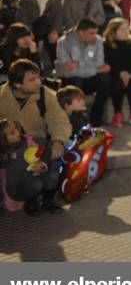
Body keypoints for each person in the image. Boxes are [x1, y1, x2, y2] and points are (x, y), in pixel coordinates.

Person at [0, 59, 71, 212]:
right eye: (32, 79)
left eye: (38, 77)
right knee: (26, 179)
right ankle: (29, 195)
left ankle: (48, 198)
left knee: (54, 156)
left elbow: (59, 120)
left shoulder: (46, 95)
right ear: (17, 84)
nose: (38, 82)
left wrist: (58, 140)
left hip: (40, 143)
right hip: (13, 147)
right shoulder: (1, 97)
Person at [55, 18, 112, 127]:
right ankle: (76, 120)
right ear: (80, 32)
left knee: (105, 78)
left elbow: (100, 63)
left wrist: (78, 64)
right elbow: (68, 71)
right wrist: (95, 68)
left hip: (88, 77)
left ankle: (96, 117)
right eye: (91, 33)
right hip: (71, 79)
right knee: (77, 79)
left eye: (96, 33)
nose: (94, 36)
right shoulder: (63, 42)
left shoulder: (97, 40)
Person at [0, 117, 62, 214]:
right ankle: (31, 203)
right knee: (36, 183)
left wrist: (43, 163)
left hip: (35, 174)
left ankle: (48, 200)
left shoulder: (27, 140)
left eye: (16, 128)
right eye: (12, 133)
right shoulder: (6, 156)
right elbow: (15, 179)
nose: (17, 132)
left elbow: (48, 146)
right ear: (3, 140)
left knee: (53, 168)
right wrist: (35, 171)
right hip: (17, 187)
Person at [103, 18, 131, 128]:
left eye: (127, 29)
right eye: (122, 29)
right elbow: (107, 63)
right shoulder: (106, 45)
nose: (126, 32)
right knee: (117, 83)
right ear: (113, 32)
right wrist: (120, 74)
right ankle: (117, 112)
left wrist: (130, 74)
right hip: (114, 74)